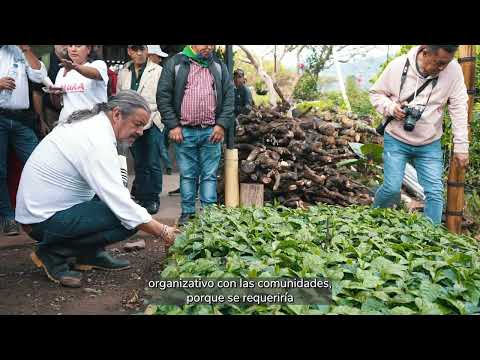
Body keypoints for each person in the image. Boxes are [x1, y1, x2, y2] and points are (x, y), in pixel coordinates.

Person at [15, 90, 178, 288]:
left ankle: (88, 253)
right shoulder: (95, 138)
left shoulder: (95, 127)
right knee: (128, 217)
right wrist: (163, 231)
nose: (141, 132)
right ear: (117, 114)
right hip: (41, 220)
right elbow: (120, 203)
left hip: (48, 211)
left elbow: (114, 188)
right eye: (137, 124)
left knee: (129, 211)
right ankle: (53, 253)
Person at [369, 45, 469, 225]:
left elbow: (459, 108)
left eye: (446, 63)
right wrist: (391, 108)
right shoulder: (399, 66)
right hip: (397, 139)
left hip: (429, 142)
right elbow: (376, 94)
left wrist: (462, 147)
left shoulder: (453, 70)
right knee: (392, 189)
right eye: (439, 63)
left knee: (435, 193)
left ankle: (430, 241)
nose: (442, 68)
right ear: (425, 52)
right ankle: (371, 223)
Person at [158, 45, 234, 226]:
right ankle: (188, 212)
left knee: (209, 175)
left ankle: (209, 215)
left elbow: (229, 98)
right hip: (184, 132)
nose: (208, 47)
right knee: (188, 174)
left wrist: (221, 125)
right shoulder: (176, 63)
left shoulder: (218, 66)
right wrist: (173, 126)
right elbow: (163, 96)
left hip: (211, 131)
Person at [0, 45, 47, 236]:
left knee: (39, 164)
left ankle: (39, 214)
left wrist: (26, 49)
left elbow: (38, 76)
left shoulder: (21, 51)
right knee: (0, 170)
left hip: (22, 118)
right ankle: (7, 217)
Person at [117, 45, 163, 214]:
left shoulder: (157, 70)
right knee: (140, 163)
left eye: (142, 49)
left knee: (152, 161)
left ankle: (152, 199)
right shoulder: (124, 71)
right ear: (129, 51)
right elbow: (119, 97)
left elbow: (163, 96)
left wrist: (160, 119)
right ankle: (143, 198)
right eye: (134, 50)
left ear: (147, 51)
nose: (139, 53)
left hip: (152, 122)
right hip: (130, 123)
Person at [51, 45, 109, 125]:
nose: (73, 49)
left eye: (78, 46)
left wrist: (75, 67)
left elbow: (95, 74)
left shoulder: (98, 65)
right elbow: (57, 105)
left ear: (88, 49)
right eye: (70, 46)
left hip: (93, 124)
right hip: (67, 124)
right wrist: (54, 94)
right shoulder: (62, 71)